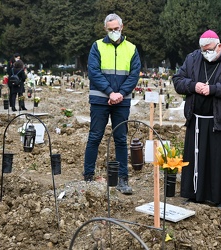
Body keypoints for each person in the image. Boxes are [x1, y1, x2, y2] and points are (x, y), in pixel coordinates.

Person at [173, 30, 221, 211]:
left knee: (218, 159)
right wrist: (193, 86)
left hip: (220, 119)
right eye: (203, 50)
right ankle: (194, 194)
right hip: (197, 118)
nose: (205, 53)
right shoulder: (193, 58)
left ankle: (220, 197)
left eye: (209, 49)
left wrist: (214, 89)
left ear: (219, 46)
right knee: (196, 158)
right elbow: (178, 80)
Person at [84, 13, 141, 195]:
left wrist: (121, 94)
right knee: (95, 137)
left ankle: (123, 180)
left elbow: (134, 74)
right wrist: (110, 92)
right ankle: (88, 177)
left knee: (120, 140)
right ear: (105, 30)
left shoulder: (131, 49)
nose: (114, 32)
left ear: (122, 27)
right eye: (110, 30)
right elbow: (93, 72)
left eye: (116, 29)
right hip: (100, 100)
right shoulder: (97, 46)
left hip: (121, 102)